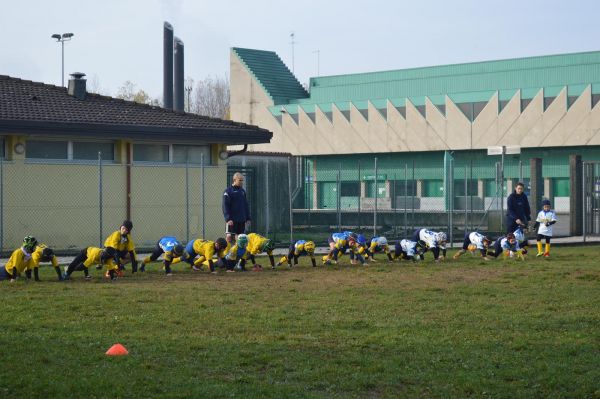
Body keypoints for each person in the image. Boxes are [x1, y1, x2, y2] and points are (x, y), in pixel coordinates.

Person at [223, 172, 251, 243]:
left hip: (241, 219)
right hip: (232, 220)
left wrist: (248, 218)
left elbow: (245, 205)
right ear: (234, 180)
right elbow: (225, 205)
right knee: (229, 237)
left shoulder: (242, 191)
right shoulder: (228, 191)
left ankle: (237, 253)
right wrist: (228, 218)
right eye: (240, 180)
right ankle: (227, 253)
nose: (242, 182)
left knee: (240, 238)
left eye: (242, 180)